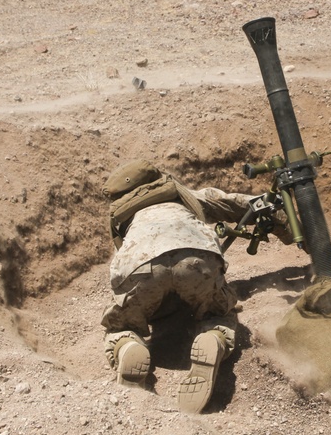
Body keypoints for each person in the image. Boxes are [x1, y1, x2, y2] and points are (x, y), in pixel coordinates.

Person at [99, 160, 272, 414]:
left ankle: (128, 346)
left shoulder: (121, 213)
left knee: (120, 324)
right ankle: (213, 336)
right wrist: (280, 216)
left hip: (141, 264)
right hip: (196, 257)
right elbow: (237, 203)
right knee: (220, 313)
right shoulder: (182, 195)